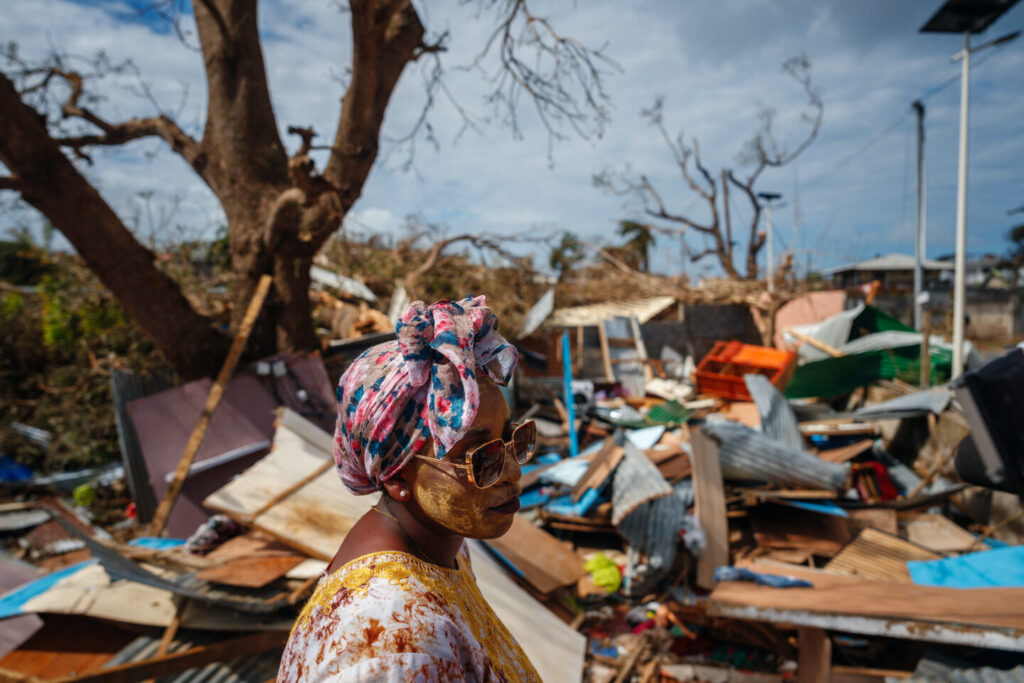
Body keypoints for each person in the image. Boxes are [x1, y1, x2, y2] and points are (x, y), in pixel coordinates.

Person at [277, 296, 541, 682]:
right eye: (480, 457)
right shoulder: (393, 639)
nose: (513, 471)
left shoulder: (442, 550)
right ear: (398, 478)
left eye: (513, 439)